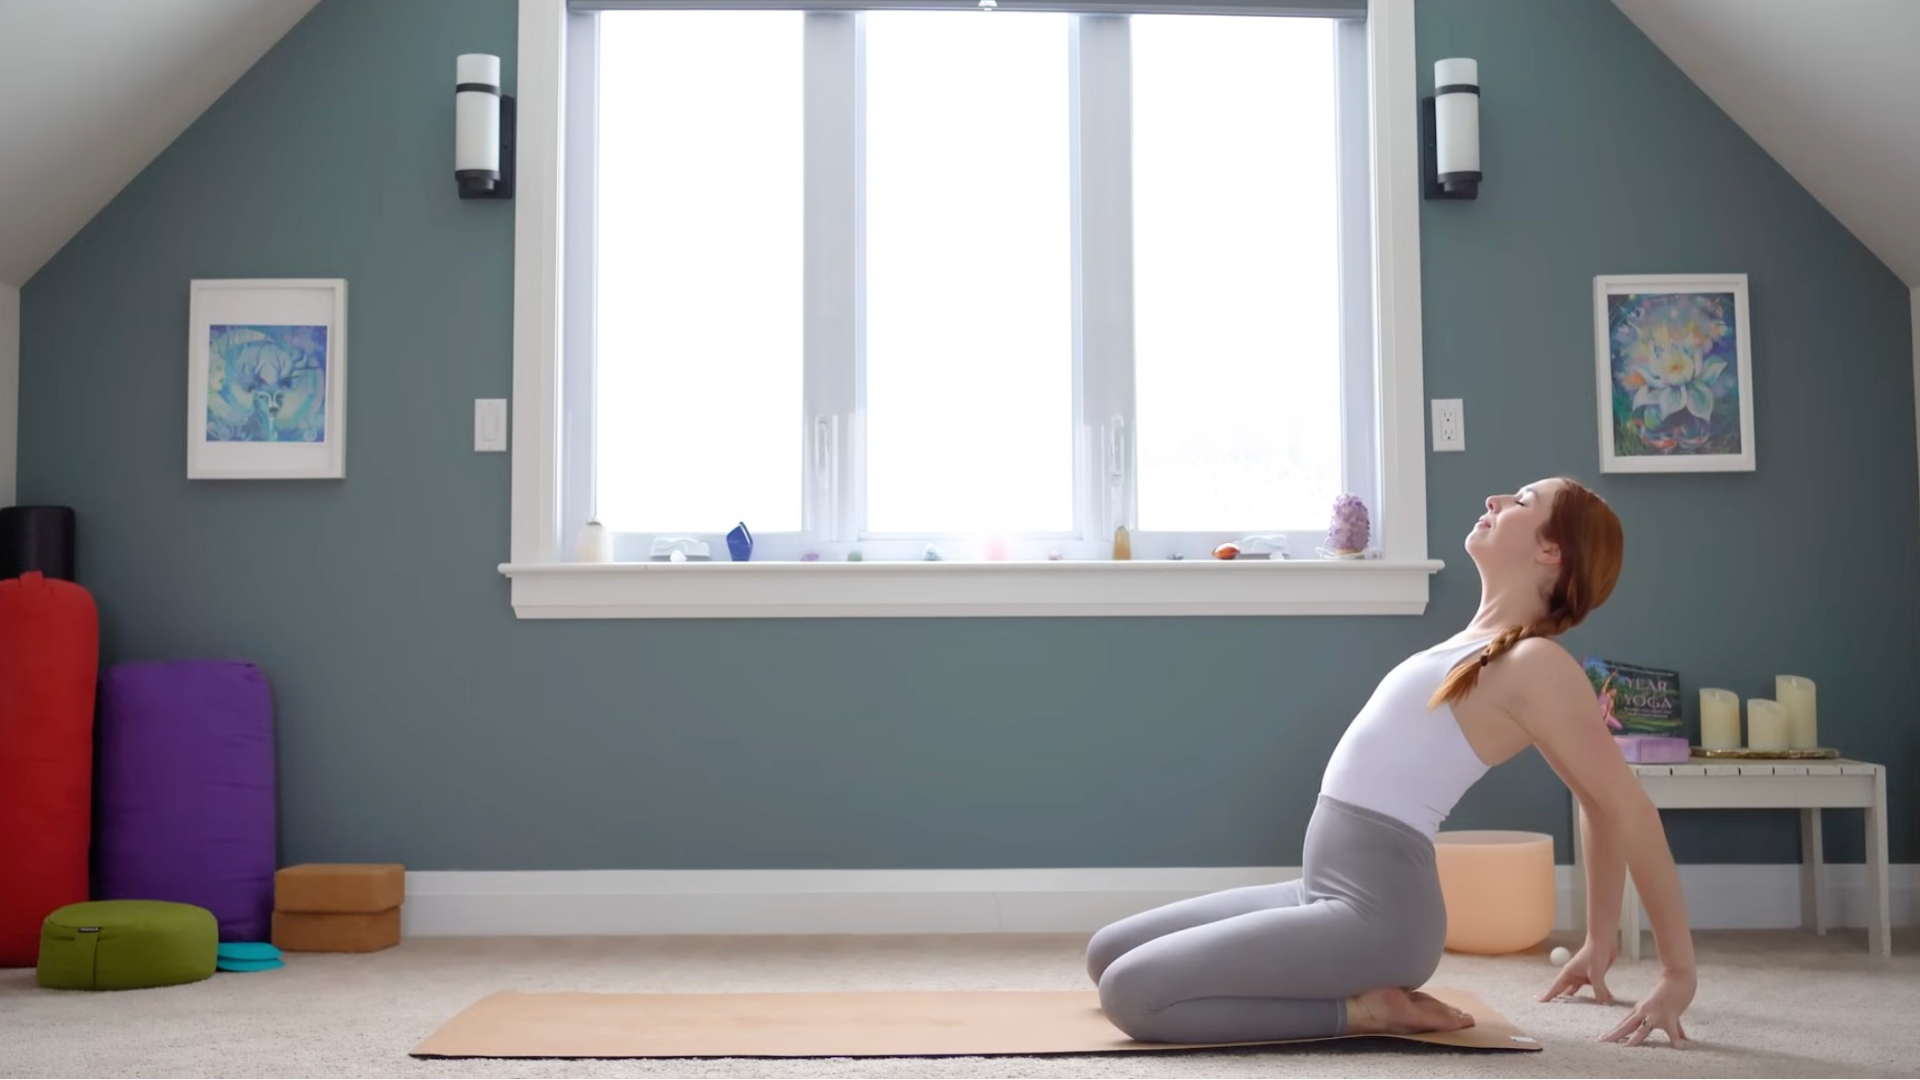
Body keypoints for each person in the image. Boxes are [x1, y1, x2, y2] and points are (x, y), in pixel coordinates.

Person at [1087, 477, 1695, 1049]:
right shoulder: (1474, 643)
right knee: (1105, 954)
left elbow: (1623, 807)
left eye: (1523, 500)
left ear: (1550, 551)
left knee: (1133, 995)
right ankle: (1351, 986)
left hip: (1378, 916)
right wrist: (1598, 940)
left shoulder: (1536, 664)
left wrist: (1676, 971)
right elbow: (1595, 806)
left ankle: (1366, 1010)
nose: (1496, 498)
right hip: (1320, 889)